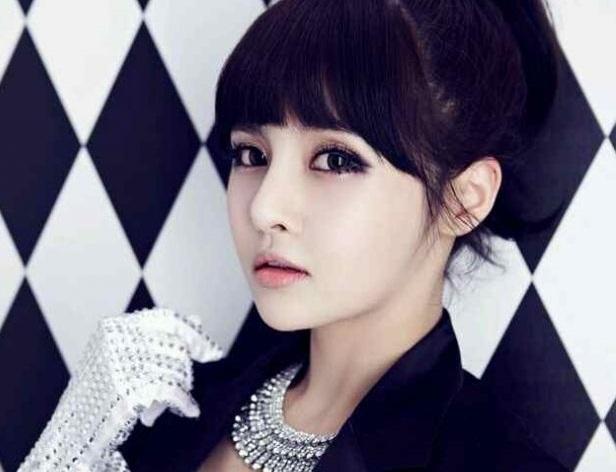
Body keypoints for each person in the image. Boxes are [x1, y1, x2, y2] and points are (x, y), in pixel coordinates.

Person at [19, 0, 570, 470]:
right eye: (251, 154)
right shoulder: (164, 411)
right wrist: (69, 445)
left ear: (463, 198)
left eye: (335, 160)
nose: (264, 208)